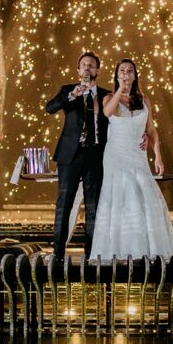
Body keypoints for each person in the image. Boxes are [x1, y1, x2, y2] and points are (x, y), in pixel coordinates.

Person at [88, 58, 173, 261]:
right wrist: (121, 90)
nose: (126, 74)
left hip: (138, 155)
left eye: (130, 71)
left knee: (146, 196)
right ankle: (120, 248)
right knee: (121, 197)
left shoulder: (144, 99)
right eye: (122, 71)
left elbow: (151, 129)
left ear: (135, 75)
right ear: (117, 75)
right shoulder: (108, 97)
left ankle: (149, 248)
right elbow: (107, 113)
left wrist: (157, 156)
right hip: (116, 155)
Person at [44, 51, 108, 260]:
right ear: (78, 70)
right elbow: (50, 108)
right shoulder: (68, 90)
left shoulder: (107, 95)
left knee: (94, 206)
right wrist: (73, 95)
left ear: (97, 70)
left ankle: (92, 254)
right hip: (70, 155)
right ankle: (58, 253)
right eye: (84, 65)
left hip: (96, 155)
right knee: (64, 204)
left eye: (91, 65)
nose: (87, 68)